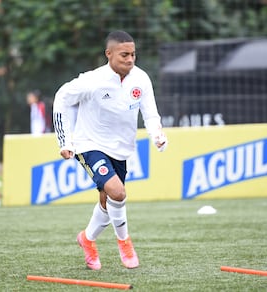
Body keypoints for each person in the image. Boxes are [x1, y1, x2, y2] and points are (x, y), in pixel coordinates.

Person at [53, 30, 168, 270]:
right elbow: (62, 97)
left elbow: (150, 113)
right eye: (124, 54)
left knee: (107, 202)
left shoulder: (141, 79)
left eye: (133, 54)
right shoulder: (92, 80)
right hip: (89, 145)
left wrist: (157, 134)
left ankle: (87, 239)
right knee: (118, 192)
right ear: (109, 54)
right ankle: (124, 242)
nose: (130, 59)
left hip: (121, 150)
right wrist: (65, 141)